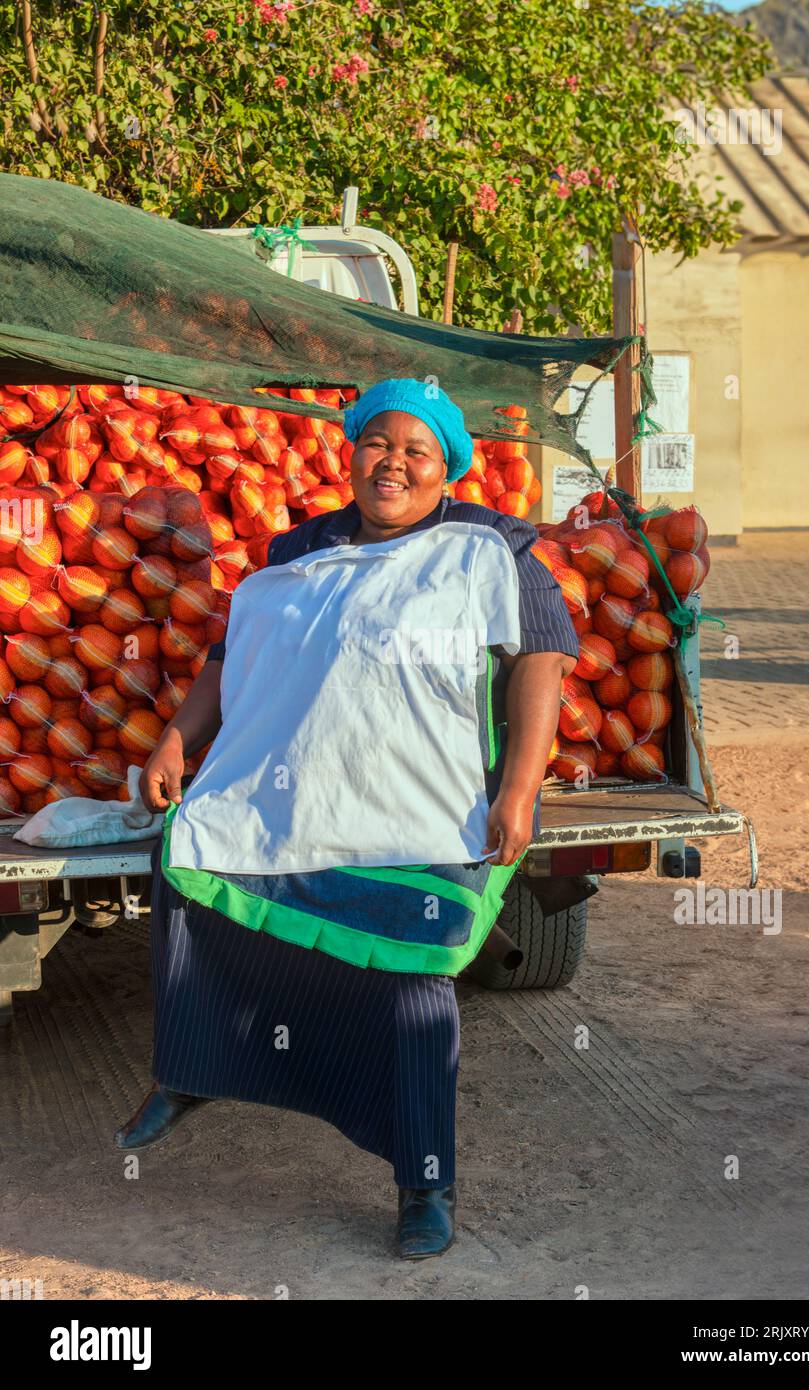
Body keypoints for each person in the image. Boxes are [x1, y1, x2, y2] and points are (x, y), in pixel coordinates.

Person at [115, 378, 578, 1259]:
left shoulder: (493, 552)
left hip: (421, 810)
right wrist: (179, 737)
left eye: (416, 451)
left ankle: (424, 1183)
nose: (393, 462)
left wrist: (519, 787)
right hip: (295, 794)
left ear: (448, 467)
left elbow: (542, 663)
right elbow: (232, 649)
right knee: (196, 872)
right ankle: (195, 1068)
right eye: (377, 443)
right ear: (350, 450)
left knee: (413, 992)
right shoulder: (301, 547)